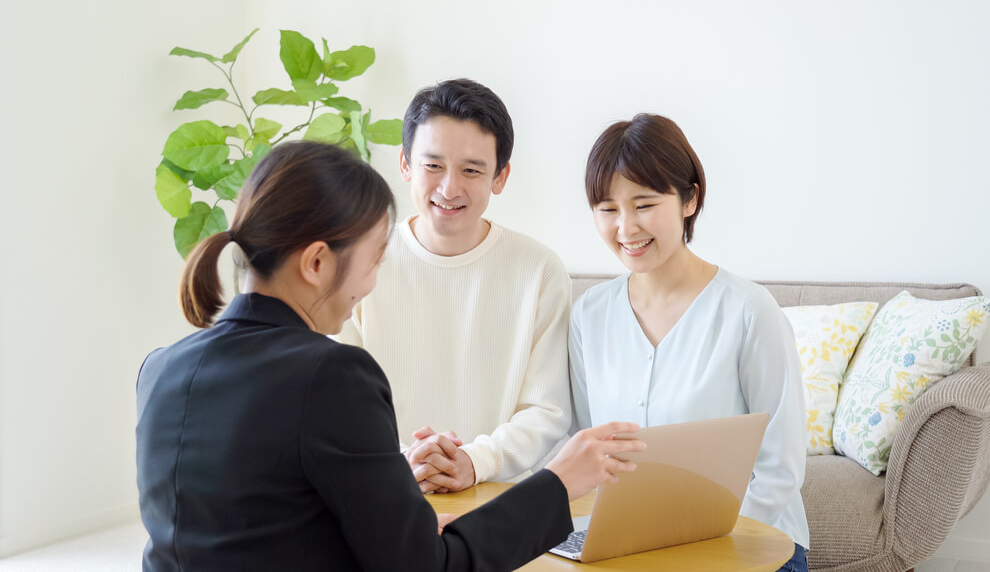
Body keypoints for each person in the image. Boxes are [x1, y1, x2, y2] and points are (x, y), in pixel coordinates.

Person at [135, 141, 644, 571]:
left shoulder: (160, 369)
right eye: (375, 260)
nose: (373, 282)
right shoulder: (331, 374)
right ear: (316, 262)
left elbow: (261, 532)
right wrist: (559, 482)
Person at [569, 114, 810, 571]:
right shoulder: (589, 314)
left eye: (644, 205)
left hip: (754, 543)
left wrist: (698, 552)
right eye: (607, 209)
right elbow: (585, 447)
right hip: (636, 549)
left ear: (689, 199)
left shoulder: (748, 309)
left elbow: (780, 469)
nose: (626, 228)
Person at [337, 79, 573, 493]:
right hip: (378, 495)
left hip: (497, 501)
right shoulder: (356, 260)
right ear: (405, 164)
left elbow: (546, 410)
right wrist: (401, 462)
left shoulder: (540, 270)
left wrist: (473, 461)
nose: (449, 188)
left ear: (500, 177)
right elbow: (338, 401)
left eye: (471, 170)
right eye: (433, 165)